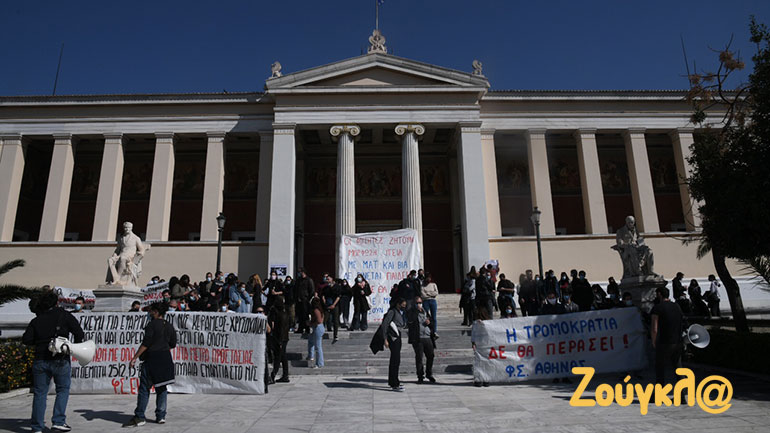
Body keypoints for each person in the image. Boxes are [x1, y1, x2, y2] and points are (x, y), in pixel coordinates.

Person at [23, 291, 85, 433]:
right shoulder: (64, 316)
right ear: (56, 302)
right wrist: (73, 346)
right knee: (62, 390)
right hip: (60, 359)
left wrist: (41, 342)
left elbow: (26, 339)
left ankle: (37, 427)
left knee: (40, 393)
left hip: (40, 359)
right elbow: (79, 333)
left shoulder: (36, 320)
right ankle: (58, 421)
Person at [123, 302, 177, 427]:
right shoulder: (169, 326)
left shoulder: (151, 325)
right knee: (162, 388)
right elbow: (173, 344)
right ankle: (161, 415)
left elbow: (146, 344)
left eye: (151, 311)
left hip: (152, 359)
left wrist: (134, 358)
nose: (149, 313)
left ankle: (140, 416)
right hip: (165, 359)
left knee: (144, 389)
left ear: (156, 312)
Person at [650, 287, 685, 385]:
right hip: (677, 341)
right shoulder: (676, 306)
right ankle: (682, 396)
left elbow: (654, 328)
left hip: (664, 342)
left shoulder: (657, 308)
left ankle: (659, 393)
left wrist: (654, 341)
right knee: (678, 368)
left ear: (660, 294)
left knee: (660, 369)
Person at [407, 296, 435, 384]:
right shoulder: (412, 312)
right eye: (417, 303)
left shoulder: (425, 311)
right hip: (418, 338)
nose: (419, 304)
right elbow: (410, 320)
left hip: (427, 337)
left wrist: (429, 322)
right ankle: (420, 375)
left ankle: (429, 373)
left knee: (431, 356)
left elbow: (432, 322)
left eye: (420, 302)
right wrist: (416, 310)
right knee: (419, 357)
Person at [382, 298, 407, 391]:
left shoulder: (400, 313)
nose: (404, 306)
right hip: (392, 337)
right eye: (403, 304)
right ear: (398, 304)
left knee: (396, 360)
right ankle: (394, 383)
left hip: (398, 335)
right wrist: (385, 339)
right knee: (395, 359)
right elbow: (384, 325)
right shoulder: (392, 312)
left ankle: (394, 380)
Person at [268, 297, 290, 383]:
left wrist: (279, 341)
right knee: (283, 356)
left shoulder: (277, 313)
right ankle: (285, 375)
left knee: (278, 357)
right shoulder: (285, 312)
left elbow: (279, 328)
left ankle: (273, 375)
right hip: (284, 337)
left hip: (279, 338)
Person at [307, 297, 325, 368]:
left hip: (318, 328)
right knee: (311, 341)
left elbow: (319, 321)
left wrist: (310, 323)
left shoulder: (316, 310)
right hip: (318, 327)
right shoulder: (320, 310)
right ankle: (310, 355)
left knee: (318, 346)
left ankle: (319, 363)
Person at [295, 268, 315, 335]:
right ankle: (300, 328)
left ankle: (307, 328)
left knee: (305, 315)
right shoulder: (298, 280)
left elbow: (312, 290)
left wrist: (308, 298)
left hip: (305, 300)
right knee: (300, 315)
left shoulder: (309, 280)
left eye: (300, 272)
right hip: (299, 300)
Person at [322, 276, 341, 342]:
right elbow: (323, 296)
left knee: (335, 320)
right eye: (326, 279)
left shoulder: (337, 287)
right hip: (327, 305)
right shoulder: (325, 287)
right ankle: (321, 333)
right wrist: (325, 303)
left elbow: (338, 297)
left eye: (328, 279)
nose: (327, 280)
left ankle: (335, 335)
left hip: (335, 305)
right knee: (324, 319)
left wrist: (333, 305)